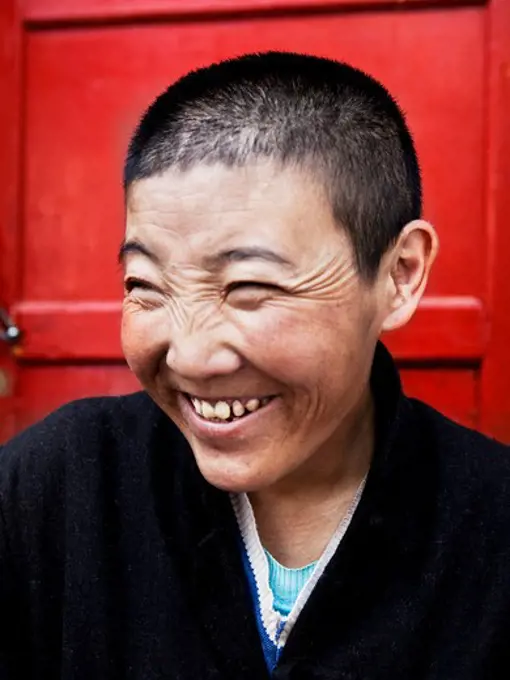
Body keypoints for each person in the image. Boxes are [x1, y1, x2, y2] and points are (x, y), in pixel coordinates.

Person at [1, 51, 509, 680]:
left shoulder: (491, 527)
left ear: (399, 274)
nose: (189, 356)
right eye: (145, 285)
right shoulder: (56, 488)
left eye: (249, 288)